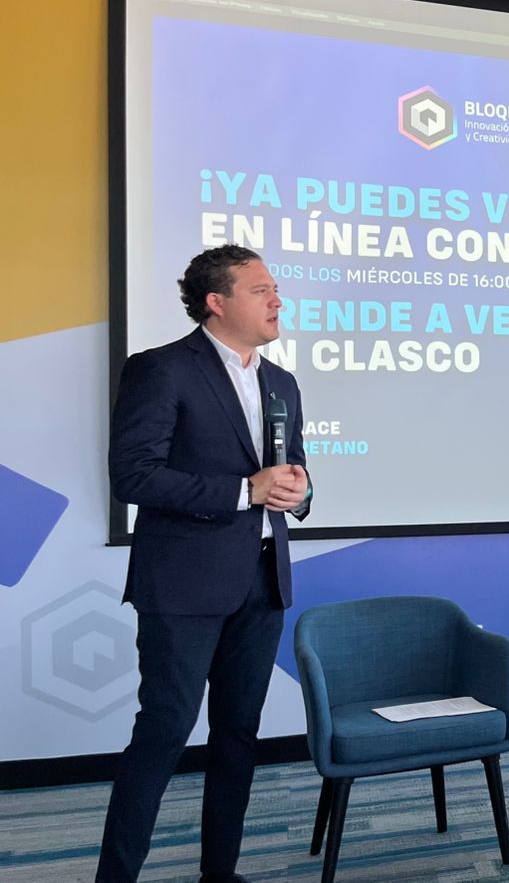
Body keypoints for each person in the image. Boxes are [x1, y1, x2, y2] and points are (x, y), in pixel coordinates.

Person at [97, 245, 310, 883]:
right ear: (217, 302)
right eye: (261, 290)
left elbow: (290, 469)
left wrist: (299, 492)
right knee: (164, 731)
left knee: (238, 735)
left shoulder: (282, 382)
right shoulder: (161, 370)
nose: (277, 300)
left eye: (276, 289)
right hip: (184, 586)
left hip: (262, 581)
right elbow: (133, 476)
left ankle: (220, 874)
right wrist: (244, 490)